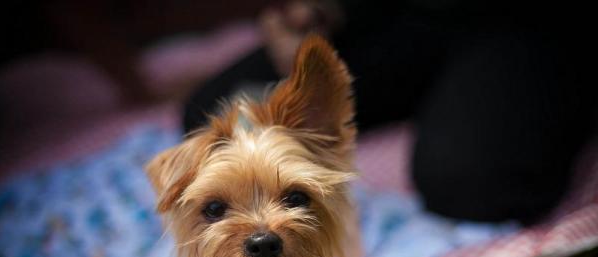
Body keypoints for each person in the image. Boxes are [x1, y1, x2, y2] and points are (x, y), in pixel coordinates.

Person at [182, 0, 598, 224]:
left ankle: (474, 101)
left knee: (473, 182)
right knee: (214, 113)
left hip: (520, 17)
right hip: (400, 15)